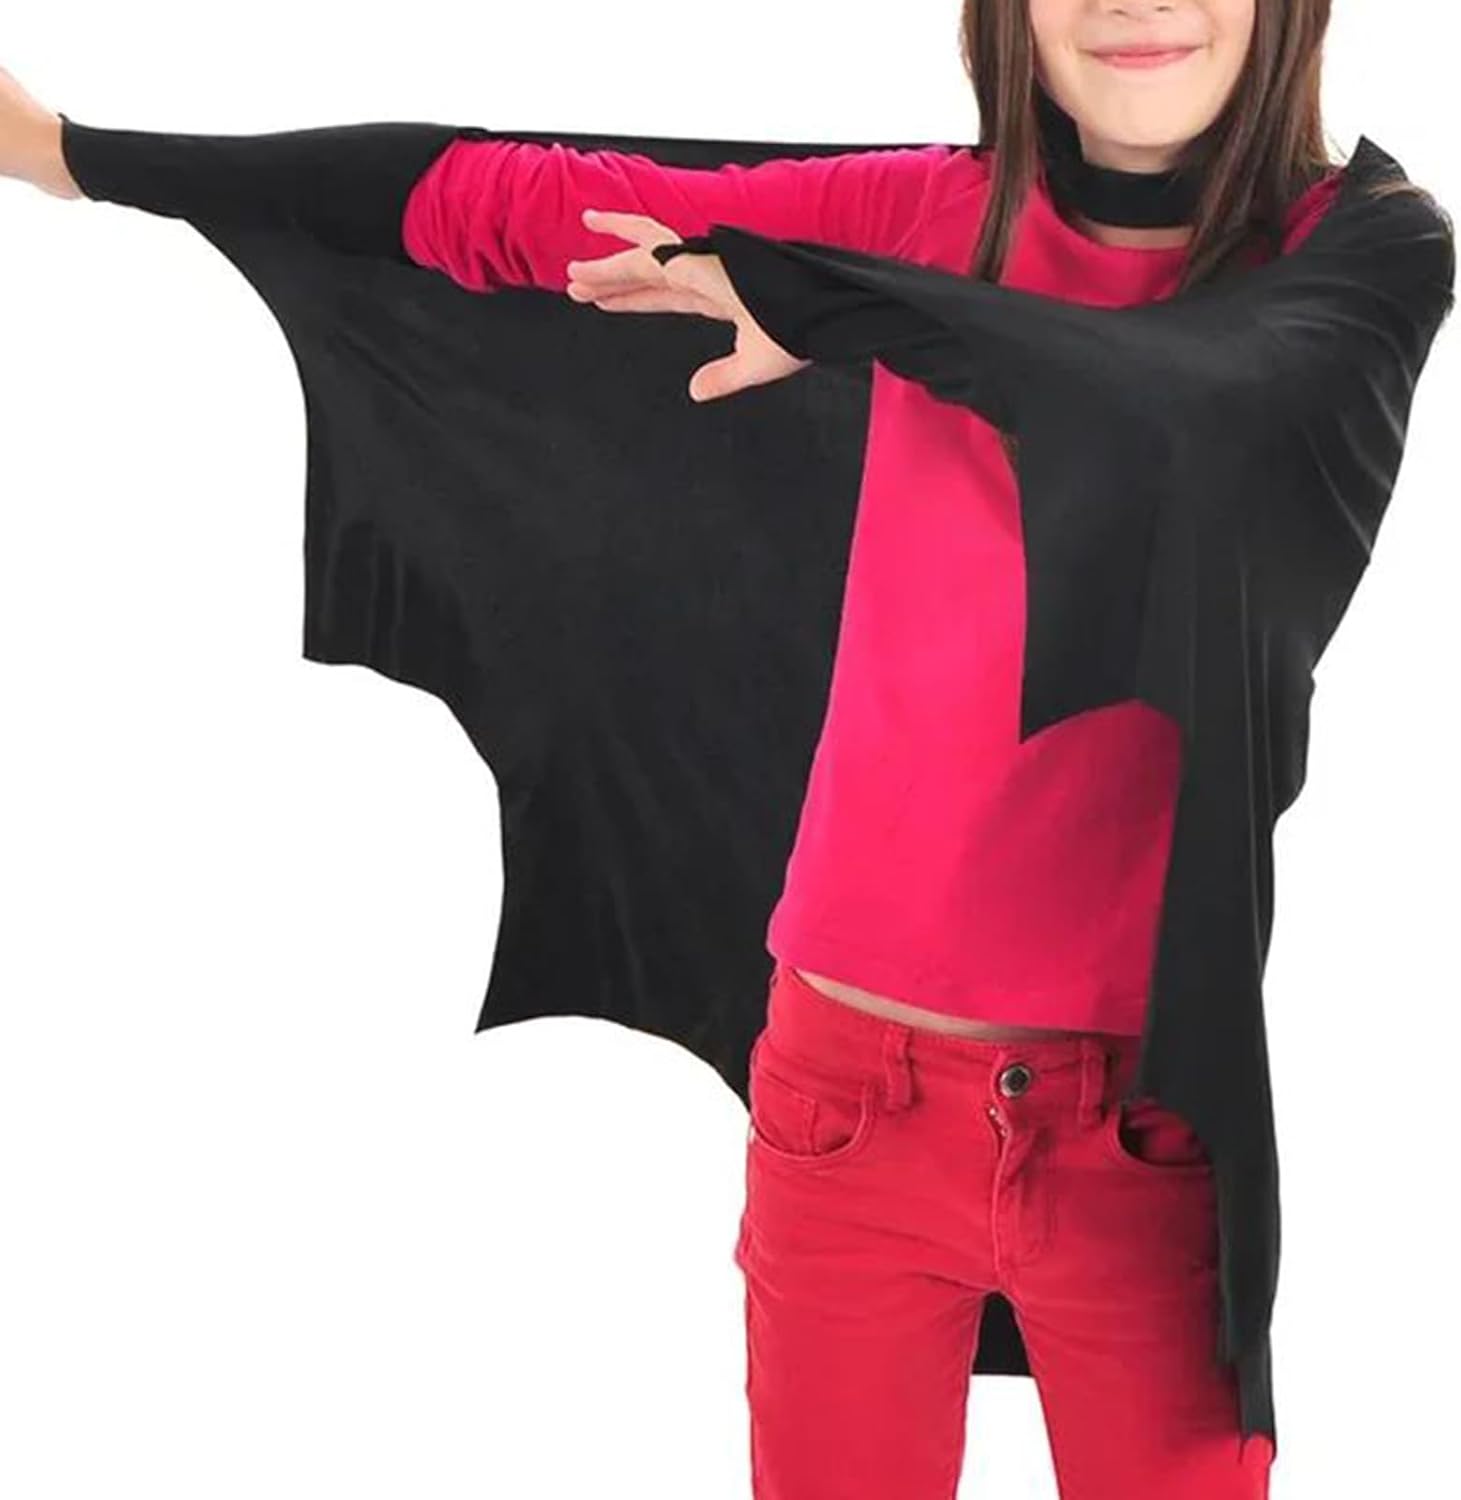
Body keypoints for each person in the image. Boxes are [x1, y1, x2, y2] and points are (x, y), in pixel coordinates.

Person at [0, 1, 1431, 1495]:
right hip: (847, 1103)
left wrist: (829, 303)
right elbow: (492, 197)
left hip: (1145, 1130)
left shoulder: (1368, 252)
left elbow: (1181, 407)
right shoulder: (920, 215)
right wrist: (71, 153)